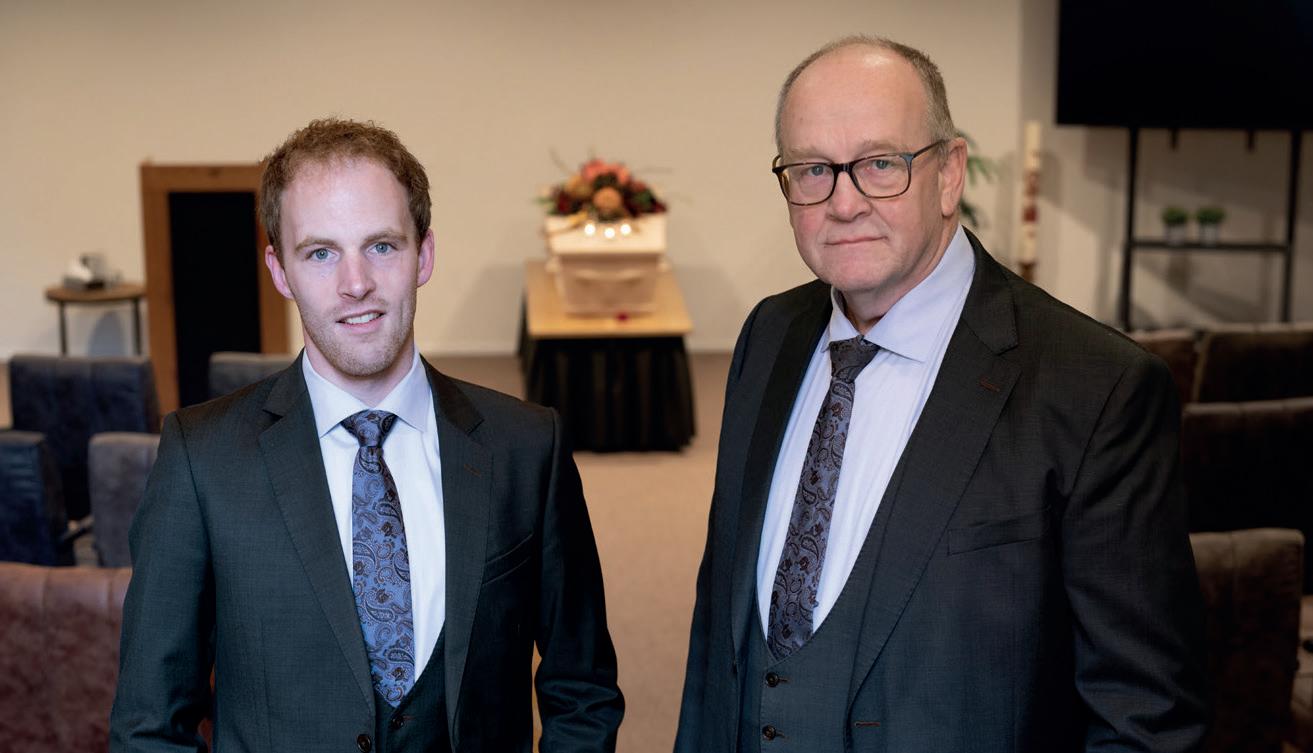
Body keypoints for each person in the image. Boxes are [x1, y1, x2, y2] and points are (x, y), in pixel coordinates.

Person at [675, 37, 1208, 752]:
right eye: (812, 170)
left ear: (949, 172)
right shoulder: (768, 336)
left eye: (880, 164)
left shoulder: (1097, 388)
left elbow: (1142, 715)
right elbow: (720, 625)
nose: (843, 202)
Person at [111, 118, 623, 752]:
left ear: (423, 255)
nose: (356, 283)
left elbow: (583, 692)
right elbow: (149, 724)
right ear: (279, 270)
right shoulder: (202, 458)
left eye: (381, 246)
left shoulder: (526, 447)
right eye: (320, 253)